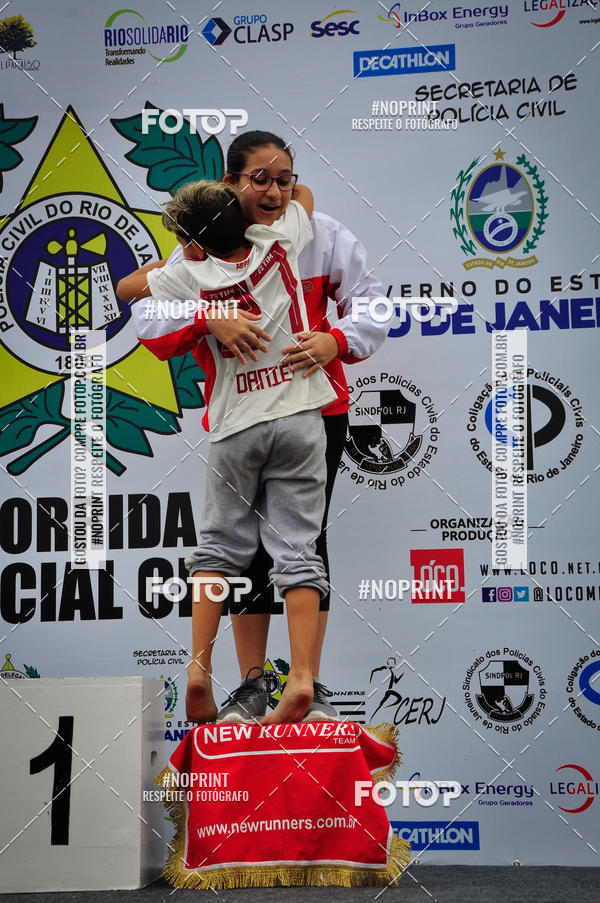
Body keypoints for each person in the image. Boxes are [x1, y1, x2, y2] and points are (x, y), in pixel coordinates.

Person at [131, 131, 388, 724]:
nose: (275, 190)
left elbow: (375, 303)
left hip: (316, 413)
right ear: (231, 185)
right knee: (250, 556)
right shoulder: (200, 248)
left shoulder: (319, 232)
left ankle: (308, 683)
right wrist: (210, 317)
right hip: (251, 418)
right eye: (260, 179)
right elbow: (149, 316)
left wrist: (336, 339)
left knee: (303, 543)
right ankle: (253, 683)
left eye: (284, 179)